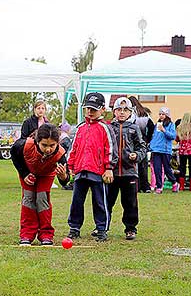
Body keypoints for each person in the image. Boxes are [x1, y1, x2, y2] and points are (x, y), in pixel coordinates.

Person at [66, 92, 118, 242]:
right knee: (76, 201)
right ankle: (74, 228)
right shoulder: (80, 128)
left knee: (100, 201)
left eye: (94, 109)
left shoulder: (105, 128)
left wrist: (109, 168)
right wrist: (71, 164)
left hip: (98, 171)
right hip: (80, 170)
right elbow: (73, 148)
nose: (90, 112)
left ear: (102, 109)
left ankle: (102, 229)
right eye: (88, 108)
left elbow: (111, 149)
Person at [11, 123, 69, 246]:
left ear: (57, 143)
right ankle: (27, 234)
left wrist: (63, 176)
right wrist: (24, 173)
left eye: (52, 145)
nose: (48, 149)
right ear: (37, 141)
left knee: (42, 200)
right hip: (28, 173)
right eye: (44, 145)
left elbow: (65, 180)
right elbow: (14, 153)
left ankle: (46, 235)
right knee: (28, 199)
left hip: (46, 175)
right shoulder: (24, 145)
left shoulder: (60, 154)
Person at [107, 97, 146, 240]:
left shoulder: (134, 128)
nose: (122, 112)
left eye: (125, 110)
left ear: (130, 112)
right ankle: (102, 226)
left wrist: (137, 155)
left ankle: (130, 228)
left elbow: (142, 147)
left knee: (130, 203)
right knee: (107, 201)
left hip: (130, 173)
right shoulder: (109, 127)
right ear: (114, 111)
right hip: (111, 172)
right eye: (119, 109)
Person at [149, 107, 180, 194]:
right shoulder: (157, 124)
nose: (161, 116)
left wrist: (164, 130)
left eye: (163, 114)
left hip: (165, 150)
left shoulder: (171, 125)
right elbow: (155, 136)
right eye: (160, 114)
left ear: (167, 115)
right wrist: (151, 145)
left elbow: (172, 136)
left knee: (167, 169)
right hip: (156, 149)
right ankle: (159, 186)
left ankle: (174, 183)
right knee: (157, 169)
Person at [128, 96, 154, 193]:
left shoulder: (130, 114)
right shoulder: (145, 114)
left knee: (134, 165)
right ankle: (146, 186)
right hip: (143, 141)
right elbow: (152, 127)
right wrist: (148, 139)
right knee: (143, 165)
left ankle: (136, 185)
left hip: (131, 142)